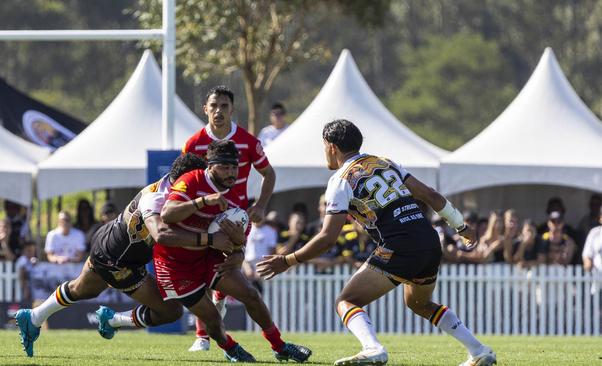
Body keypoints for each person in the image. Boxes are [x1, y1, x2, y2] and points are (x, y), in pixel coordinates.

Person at [257, 119, 496, 366]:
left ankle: (373, 348)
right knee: (419, 303)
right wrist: (461, 227)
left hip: (399, 246)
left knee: (346, 301)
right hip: (428, 240)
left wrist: (288, 260)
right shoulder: (385, 163)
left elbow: (328, 238)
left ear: (331, 147)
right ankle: (479, 350)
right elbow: (430, 195)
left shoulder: (340, 180)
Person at [13, 153, 237, 357]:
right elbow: (161, 234)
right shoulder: (158, 198)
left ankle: (33, 317)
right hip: (119, 261)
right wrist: (209, 240)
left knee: (81, 289)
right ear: (185, 180)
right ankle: (112, 320)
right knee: (171, 311)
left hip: (109, 242)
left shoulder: (175, 189)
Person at [154, 140, 311, 363]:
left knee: (251, 295)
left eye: (235, 167)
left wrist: (238, 249)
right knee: (213, 320)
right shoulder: (192, 179)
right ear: (210, 166)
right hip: (174, 265)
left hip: (206, 256)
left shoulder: (235, 195)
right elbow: (168, 215)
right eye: (225, 167)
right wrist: (203, 201)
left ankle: (280, 346)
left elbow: (239, 238)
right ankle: (230, 347)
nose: (232, 173)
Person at [182, 85, 277, 351]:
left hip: (235, 219)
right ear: (205, 109)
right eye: (214, 106)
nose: (218, 111)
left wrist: (260, 205)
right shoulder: (193, 143)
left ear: (232, 109)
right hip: (202, 217)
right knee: (205, 270)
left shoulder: (248, 141)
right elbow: (182, 179)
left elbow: (269, 174)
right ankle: (202, 336)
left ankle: (215, 312)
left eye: (224, 106)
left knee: (228, 268)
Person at [582, 206, 602, 272]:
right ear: (600, 219)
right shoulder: (594, 233)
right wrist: (588, 267)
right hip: (597, 279)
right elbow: (587, 255)